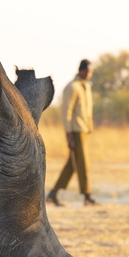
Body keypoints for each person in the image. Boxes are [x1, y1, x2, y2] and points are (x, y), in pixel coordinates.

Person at [47, 59, 97, 206]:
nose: (89, 74)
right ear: (81, 70)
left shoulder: (86, 87)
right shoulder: (72, 87)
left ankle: (53, 194)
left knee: (72, 164)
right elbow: (66, 112)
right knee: (83, 164)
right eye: (87, 71)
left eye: (91, 72)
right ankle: (87, 196)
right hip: (75, 131)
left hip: (84, 130)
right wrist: (68, 135)